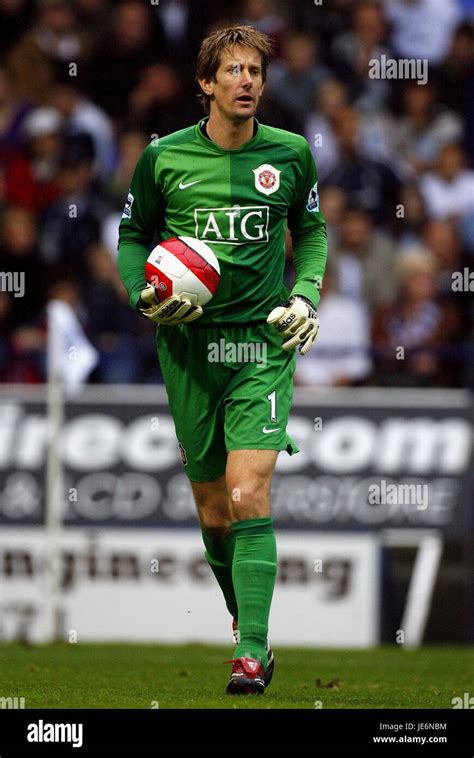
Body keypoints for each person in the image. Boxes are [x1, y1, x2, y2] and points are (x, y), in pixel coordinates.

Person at [117, 24, 327, 695]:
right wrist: (143, 296)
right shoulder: (163, 159)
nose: (247, 82)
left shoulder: (291, 154)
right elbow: (131, 235)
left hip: (260, 344)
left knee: (247, 492)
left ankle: (249, 652)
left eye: (255, 73)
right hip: (189, 348)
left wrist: (304, 293)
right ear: (206, 83)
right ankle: (249, 624)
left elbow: (313, 230)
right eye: (233, 71)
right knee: (214, 511)